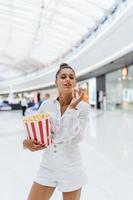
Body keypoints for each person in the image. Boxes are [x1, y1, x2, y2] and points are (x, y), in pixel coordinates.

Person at [23, 63, 89, 200]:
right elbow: (33, 131)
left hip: (71, 168)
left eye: (71, 77)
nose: (68, 79)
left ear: (75, 82)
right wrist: (26, 143)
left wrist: (72, 109)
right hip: (48, 166)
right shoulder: (46, 105)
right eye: (63, 76)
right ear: (56, 82)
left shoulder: (82, 107)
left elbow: (75, 138)